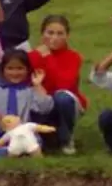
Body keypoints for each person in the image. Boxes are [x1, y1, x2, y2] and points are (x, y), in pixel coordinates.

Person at [29, 15, 88, 155]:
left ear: (67, 36)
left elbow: (64, 85)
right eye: (50, 33)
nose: (54, 37)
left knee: (62, 97)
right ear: (42, 34)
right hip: (41, 101)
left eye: (60, 33)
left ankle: (67, 139)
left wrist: (48, 57)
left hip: (65, 101)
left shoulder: (73, 57)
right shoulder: (32, 56)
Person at [0, 49, 53, 157]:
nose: (15, 73)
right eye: (10, 68)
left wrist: (38, 86)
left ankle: (22, 151)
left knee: (31, 147)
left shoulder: (29, 92)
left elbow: (44, 108)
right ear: (2, 70)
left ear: (27, 70)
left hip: (25, 135)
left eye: (20, 68)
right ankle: (6, 152)